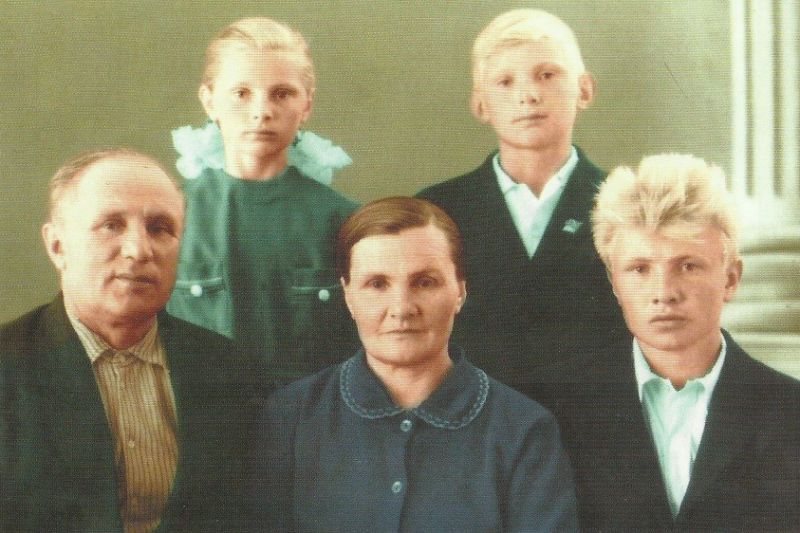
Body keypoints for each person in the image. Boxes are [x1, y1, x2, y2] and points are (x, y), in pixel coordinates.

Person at [249, 197, 577, 532]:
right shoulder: (290, 417)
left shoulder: (524, 429)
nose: (402, 308)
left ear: (460, 292)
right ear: (348, 295)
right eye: (377, 284)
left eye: (424, 282)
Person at [0, 149, 262, 532]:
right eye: (111, 225)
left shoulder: (228, 370)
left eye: (160, 228)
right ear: (57, 246)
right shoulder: (8, 365)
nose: (139, 250)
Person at [543, 154, 800, 530]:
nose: (663, 293)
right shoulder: (555, 410)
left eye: (688, 266)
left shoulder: (790, 412)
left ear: (730, 279)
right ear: (614, 284)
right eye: (639, 269)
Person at [416, 9, 625, 398]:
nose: (528, 95)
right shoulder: (436, 211)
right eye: (505, 81)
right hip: (473, 420)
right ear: (480, 105)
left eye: (547, 75)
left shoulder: (628, 203)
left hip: (596, 422)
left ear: (584, 90)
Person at [166, 17, 358, 390]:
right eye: (241, 93)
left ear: (307, 104)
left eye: (282, 94)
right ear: (209, 100)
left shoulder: (343, 220)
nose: (261, 111)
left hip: (307, 419)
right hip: (201, 418)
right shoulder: (170, 215)